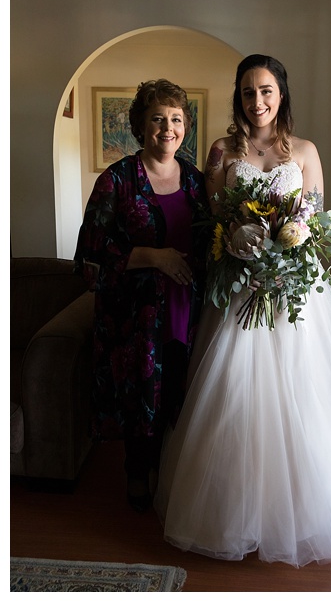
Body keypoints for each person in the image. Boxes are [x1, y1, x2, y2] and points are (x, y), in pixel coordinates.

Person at [153, 54, 331, 567]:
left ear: (281, 95)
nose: (257, 101)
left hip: (295, 291)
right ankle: (232, 515)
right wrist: (238, 245)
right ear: (238, 97)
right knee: (236, 395)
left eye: (266, 91)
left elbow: (313, 222)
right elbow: (214, 220)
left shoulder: (304, 150)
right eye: (248, 91)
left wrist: (288, 257)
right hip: (241, 287)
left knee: (307, 394)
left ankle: (311, 511)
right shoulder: (220, 150)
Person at [74, 79, 209, 513]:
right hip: (135, 313)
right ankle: (137, 470)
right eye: (157, 119)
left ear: (185, 126)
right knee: (141, 393)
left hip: (188, 308)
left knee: (178, 390)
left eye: (176, 119)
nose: (168, 128)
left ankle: (170, 474)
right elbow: (90, 254)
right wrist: (154, 256)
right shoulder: (116, 180)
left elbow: (213, 241)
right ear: (140, 126)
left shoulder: (196, 181)